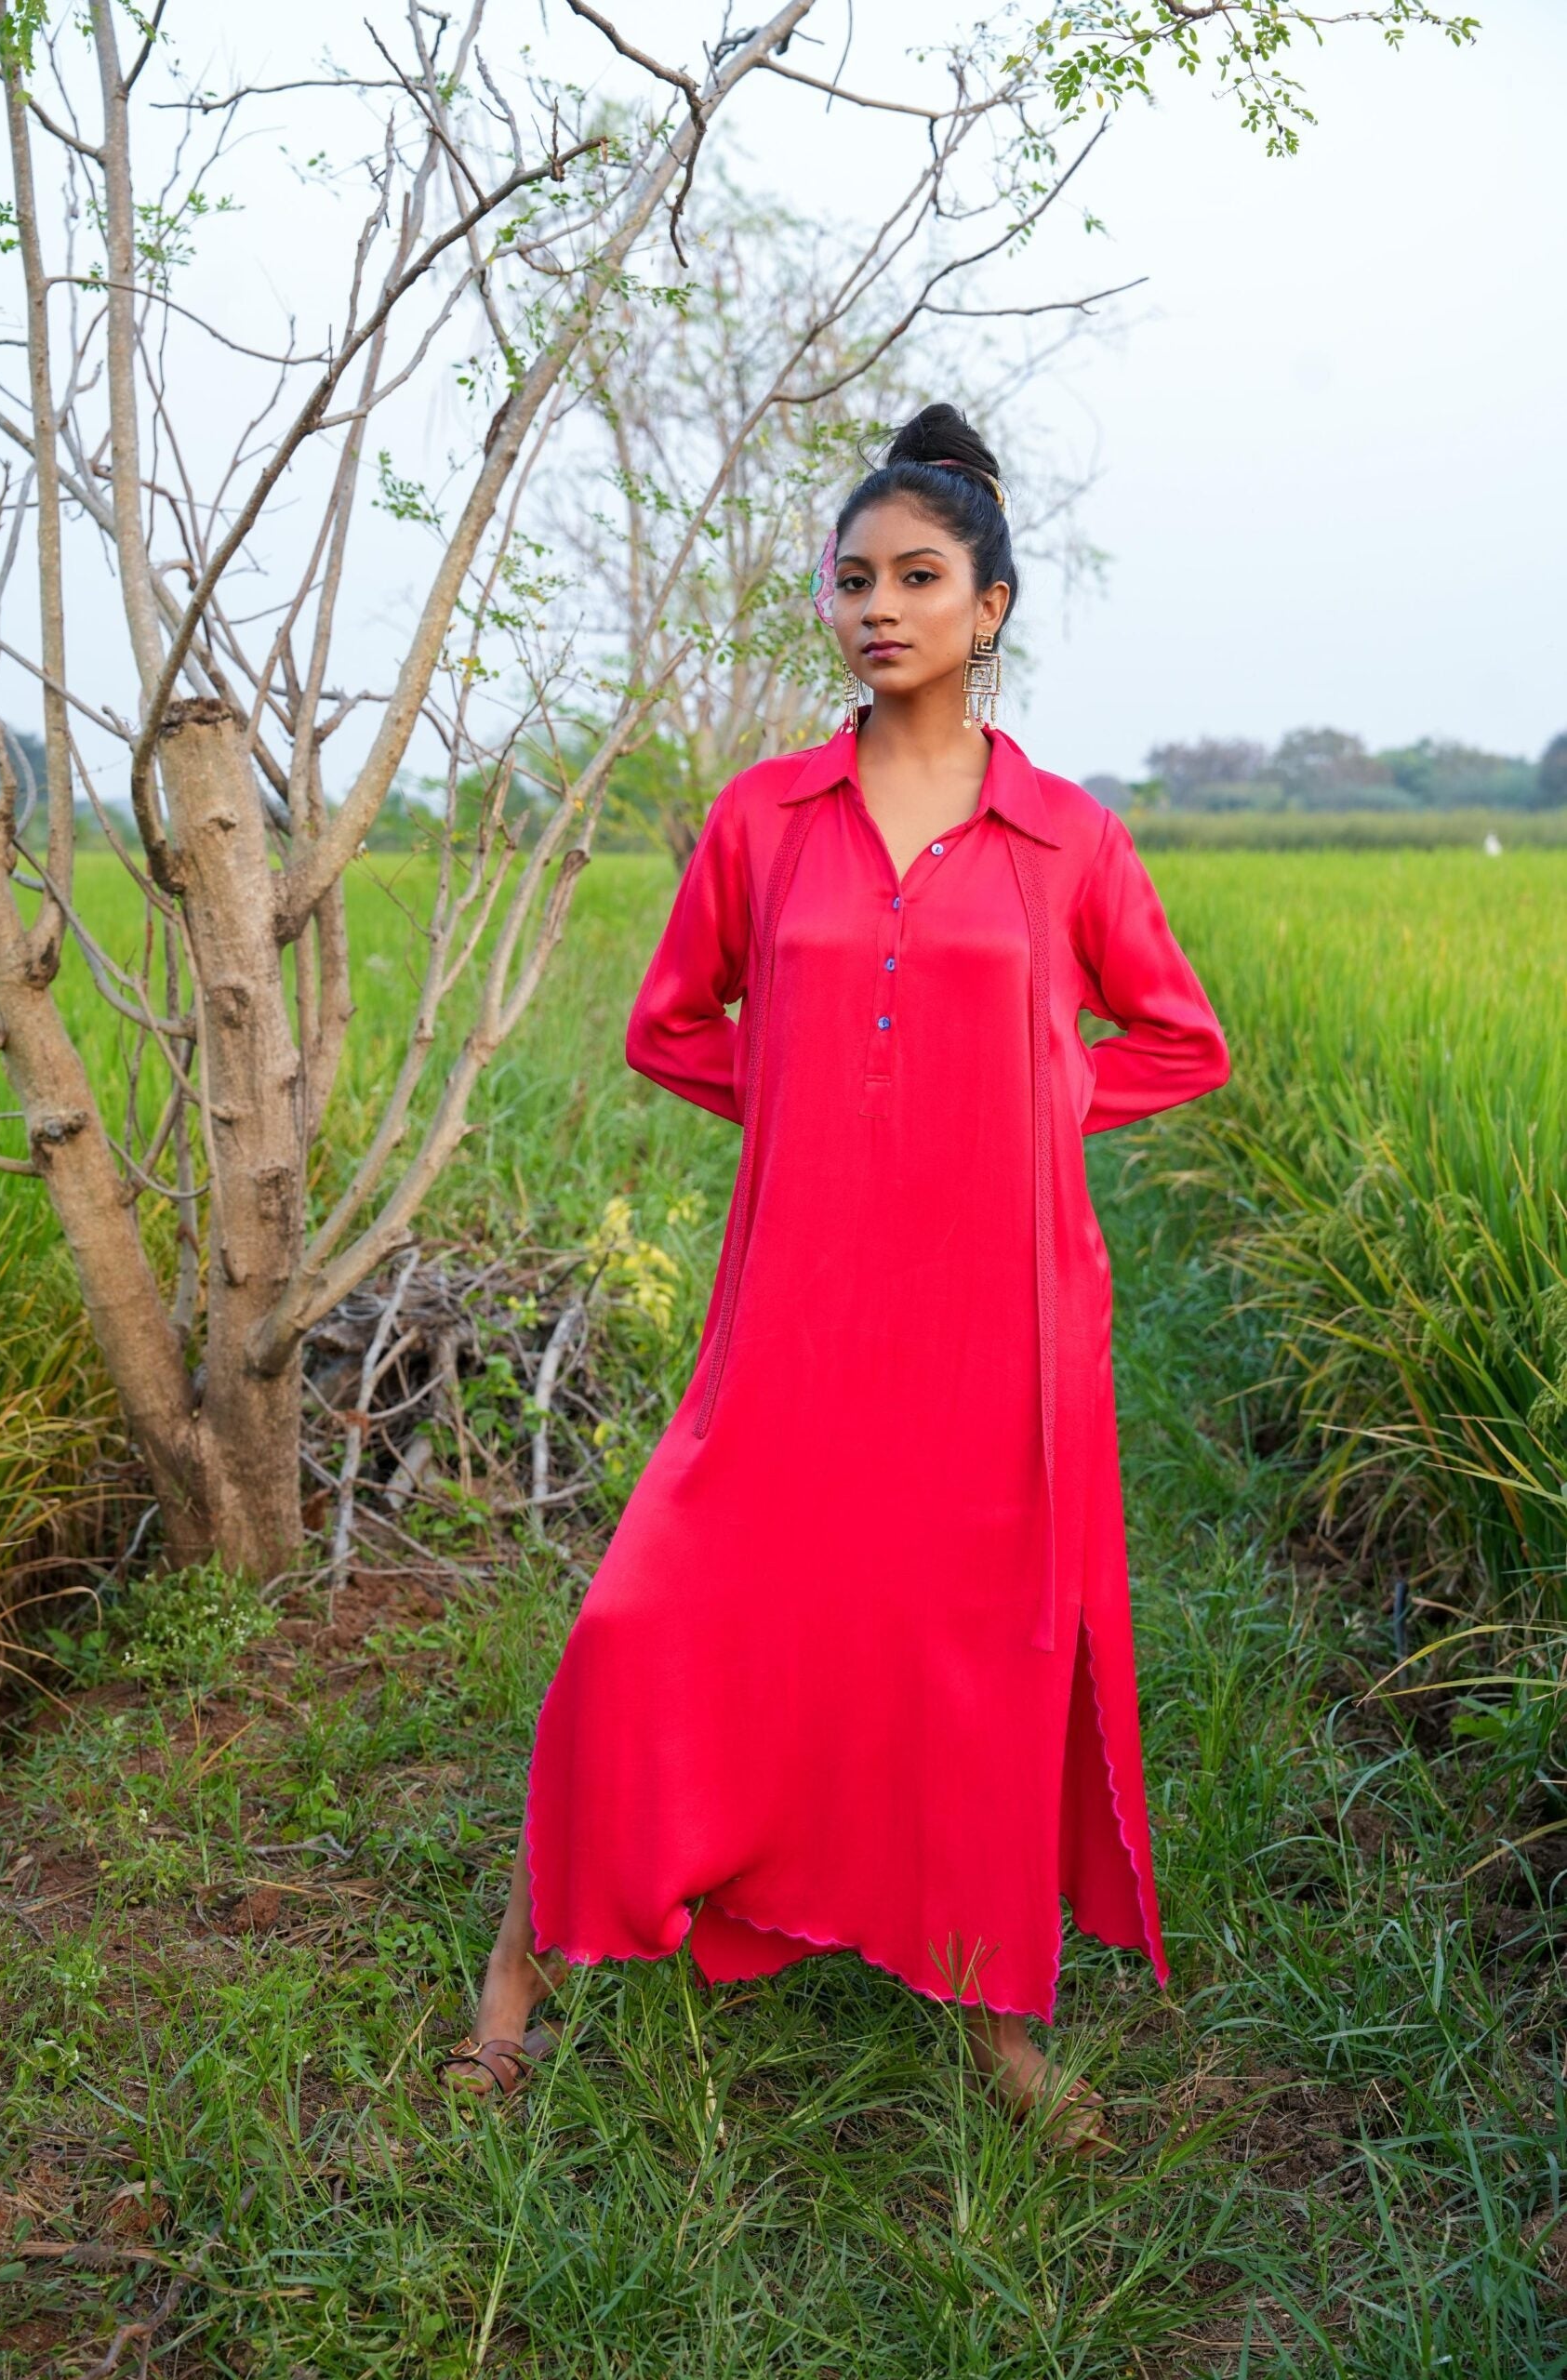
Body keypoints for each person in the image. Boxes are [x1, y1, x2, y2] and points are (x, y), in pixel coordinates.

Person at [441, 403, 1231, 2150]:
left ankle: (999, 2020)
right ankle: (519, 1969)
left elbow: (1180, 1039)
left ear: (993, 604)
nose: (880, 606)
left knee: (972, 1664)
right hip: (791, 1312)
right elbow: (675, 1025)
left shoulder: (1064, 841)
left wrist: (1022, 1107)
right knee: (647, 1624)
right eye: (853, 578)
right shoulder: (763, 819)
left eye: (919, 577)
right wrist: (818, 1104)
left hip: (994, 1328)